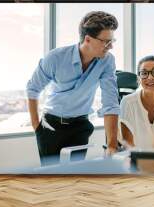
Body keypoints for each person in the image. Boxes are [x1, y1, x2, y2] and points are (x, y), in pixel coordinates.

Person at [26, 11, 120, 165]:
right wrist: (37, 128)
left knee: (74, 176)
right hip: (51, 126)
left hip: (80, 126)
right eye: (106, 42)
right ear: (88, 39)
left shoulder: (107, 61)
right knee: (51, 177)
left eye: (112, 41)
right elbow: (33, 89)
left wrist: (111, 145)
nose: (111, 47)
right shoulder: (55, 58)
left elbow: (110, 103)